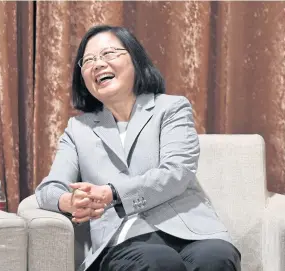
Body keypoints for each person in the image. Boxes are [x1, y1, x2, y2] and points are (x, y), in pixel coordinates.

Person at [35, 25, 241, 271]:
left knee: (216, 258)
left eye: (109, 54)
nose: (98, 64)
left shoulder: (171, 109)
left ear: (135, 59)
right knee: (158, 263)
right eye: (88, 60)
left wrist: (113, 193)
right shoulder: (78, 129)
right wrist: (70, 201)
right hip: (125, 239)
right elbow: (48, 189)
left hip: (190, 230)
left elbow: (177, 172)